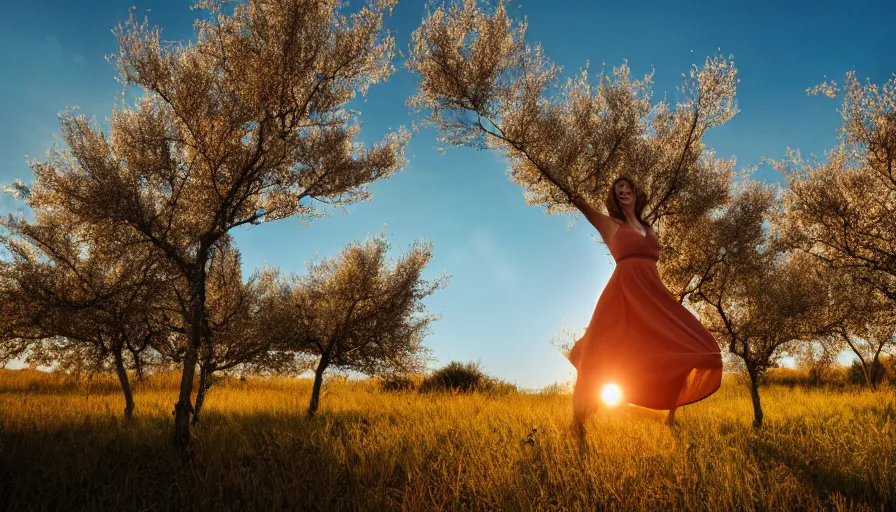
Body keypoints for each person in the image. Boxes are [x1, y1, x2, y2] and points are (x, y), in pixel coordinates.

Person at [567, 176, 722, 431]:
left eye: (628, 188)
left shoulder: (649, 228)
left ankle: (668, 413)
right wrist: (578, 199)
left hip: (653, 292)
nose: (624, 192)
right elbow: (587, 211)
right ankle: (579, 423)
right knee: (596, 352)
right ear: (615, 198)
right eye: (619, 190)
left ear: (636, 194)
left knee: (693, 345)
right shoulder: (612, 226)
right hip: (623, 293)